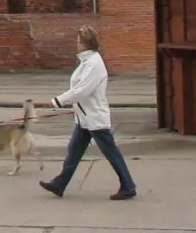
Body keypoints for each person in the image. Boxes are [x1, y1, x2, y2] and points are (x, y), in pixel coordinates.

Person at [39, 25, 137, 200]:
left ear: (86, 43)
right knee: (74, 150)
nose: (76, 44)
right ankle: (59, 184)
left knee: (111, 153)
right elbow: (79, 89)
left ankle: (128, 187)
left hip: (95, 118)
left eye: (78, 42)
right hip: (84, 117)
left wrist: (58, 101)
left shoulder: (93, 64)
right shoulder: (87, 61)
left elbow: (82, 90)